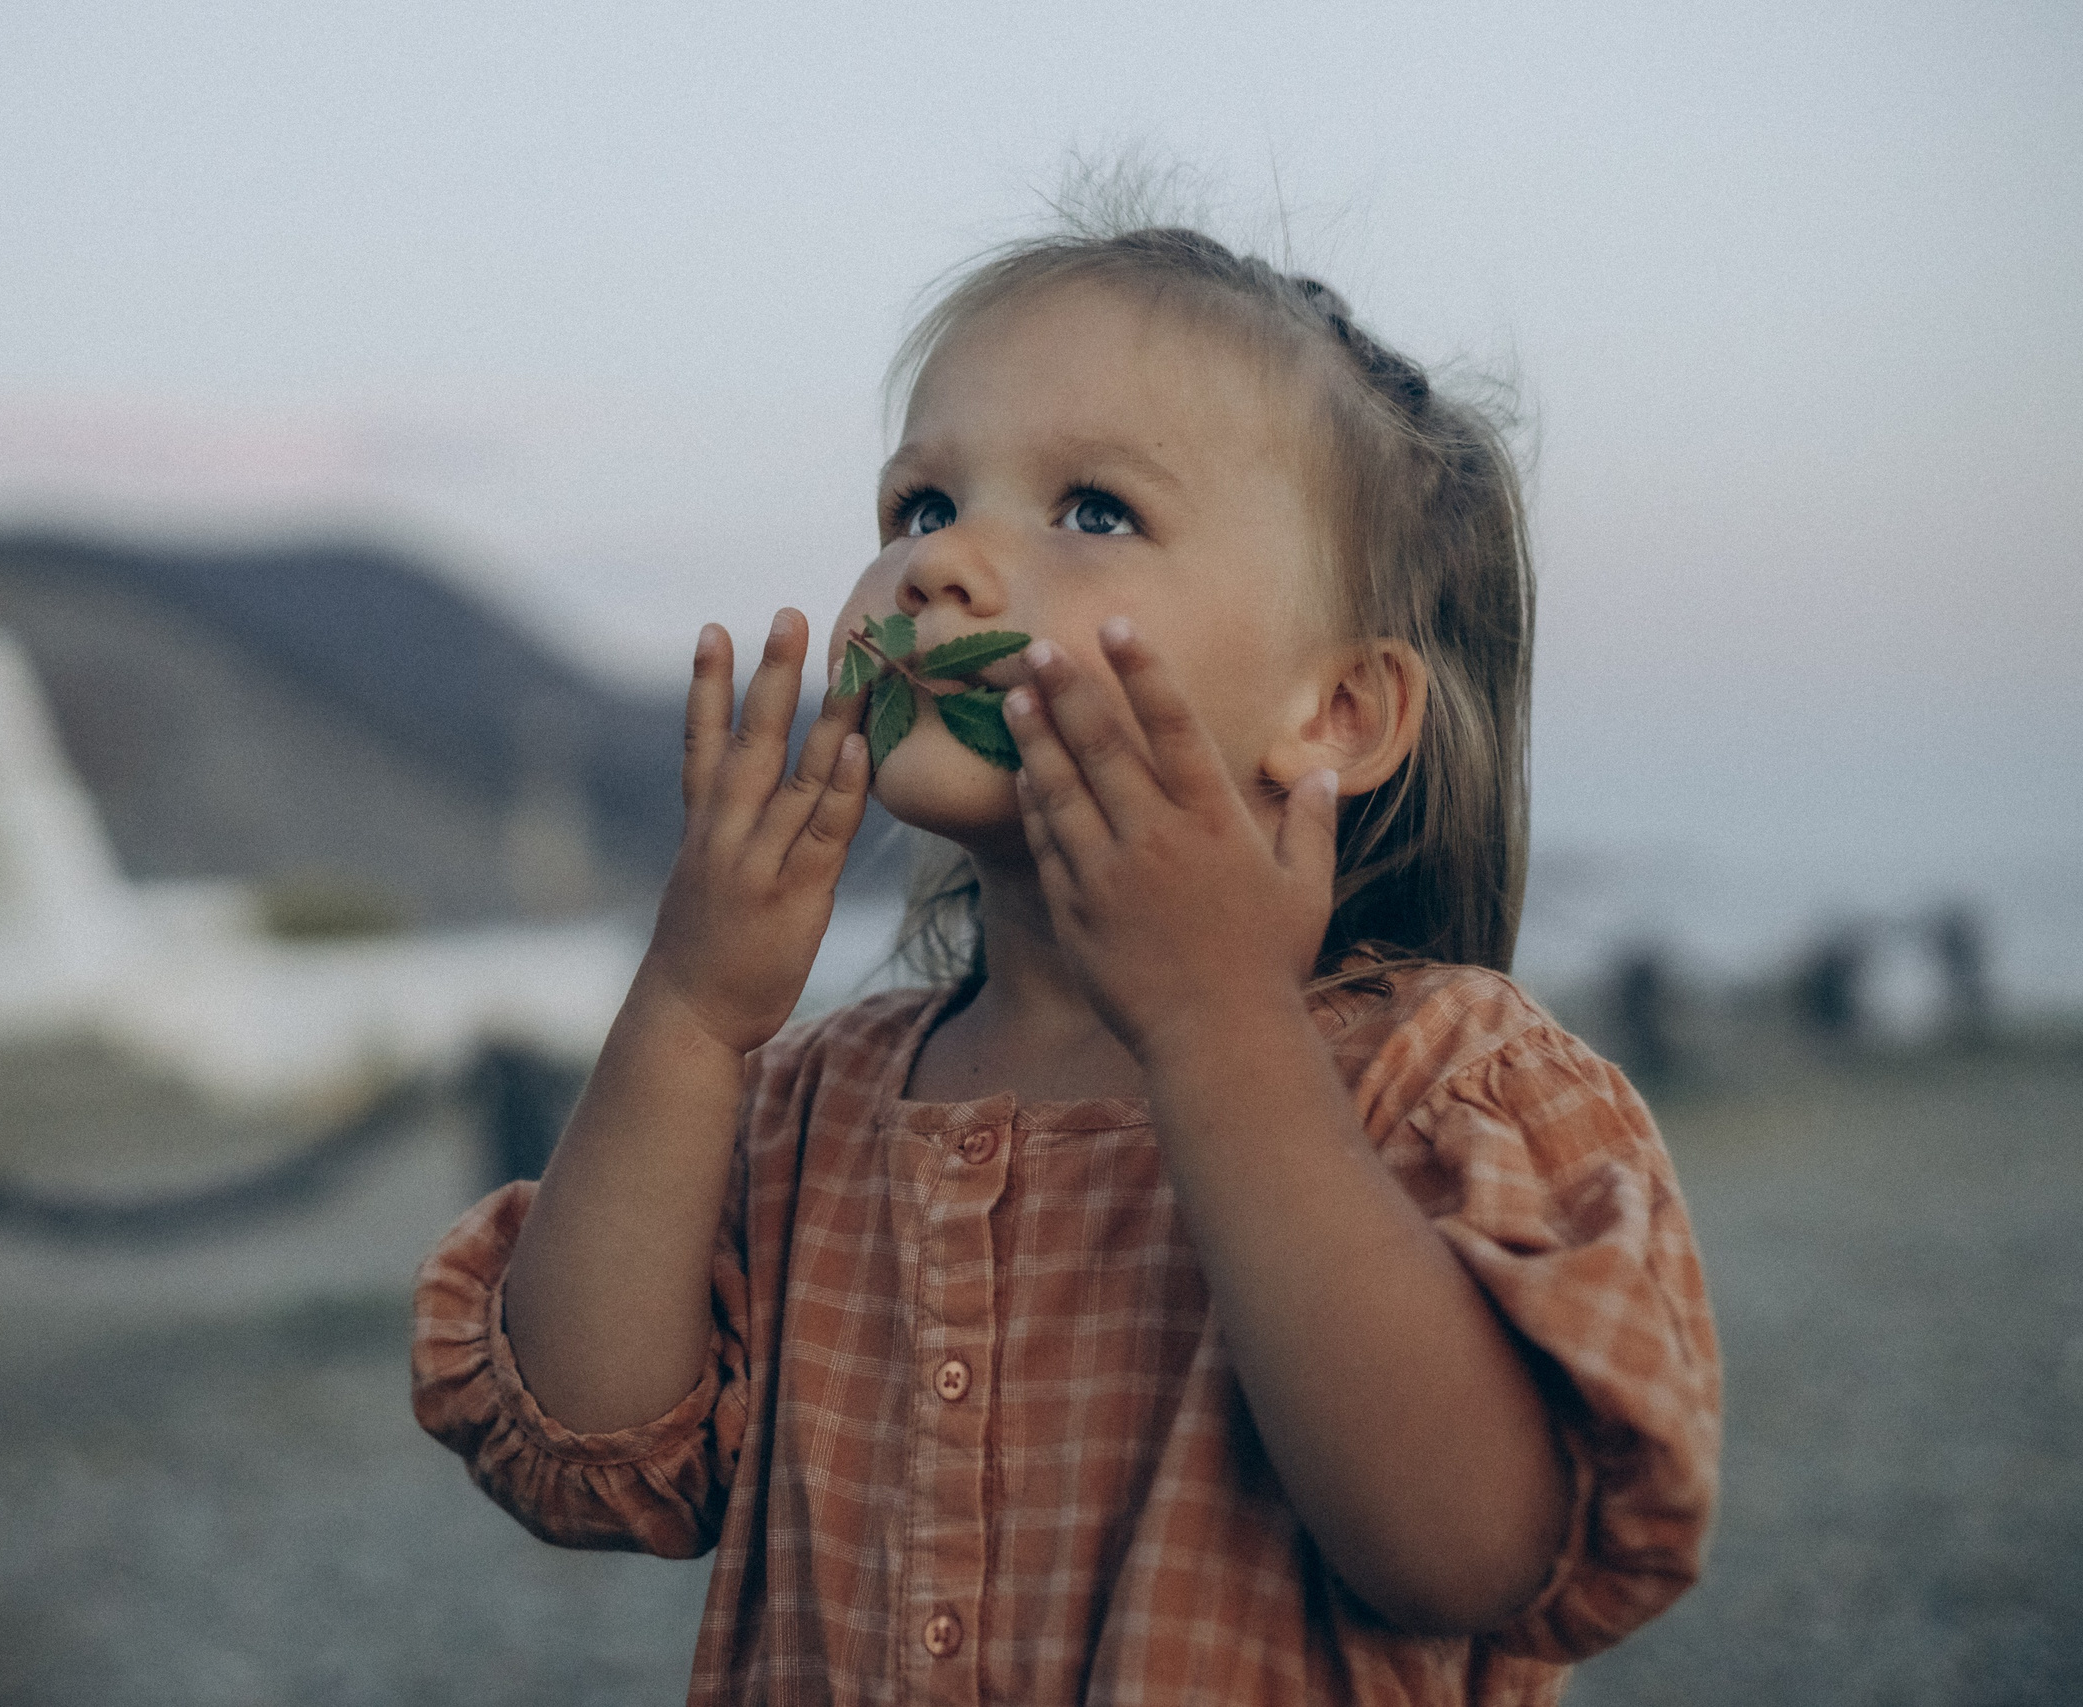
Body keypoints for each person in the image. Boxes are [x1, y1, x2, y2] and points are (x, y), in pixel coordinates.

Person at [414, 208, 1720, 1704]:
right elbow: (581, 1456)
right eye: (917, 504)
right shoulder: (812, 1103)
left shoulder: (1451, 1085)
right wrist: (693, 1016)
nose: (941, 566)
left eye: (1092, 509)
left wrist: (1220, 1026)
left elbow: (1474, 1556)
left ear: (1337, 716)